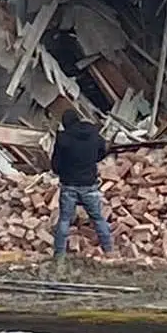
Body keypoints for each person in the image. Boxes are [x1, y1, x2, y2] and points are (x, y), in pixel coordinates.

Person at [51, 109, 114, 258]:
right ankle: (109, 249)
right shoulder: (93, 134)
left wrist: (62, 172)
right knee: (98, 218)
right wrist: (93, 160)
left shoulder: (63, 139)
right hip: (89, 184)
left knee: (65, 219)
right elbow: (103, 150)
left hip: (69, 184)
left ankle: (59, 253)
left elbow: (55, 164)